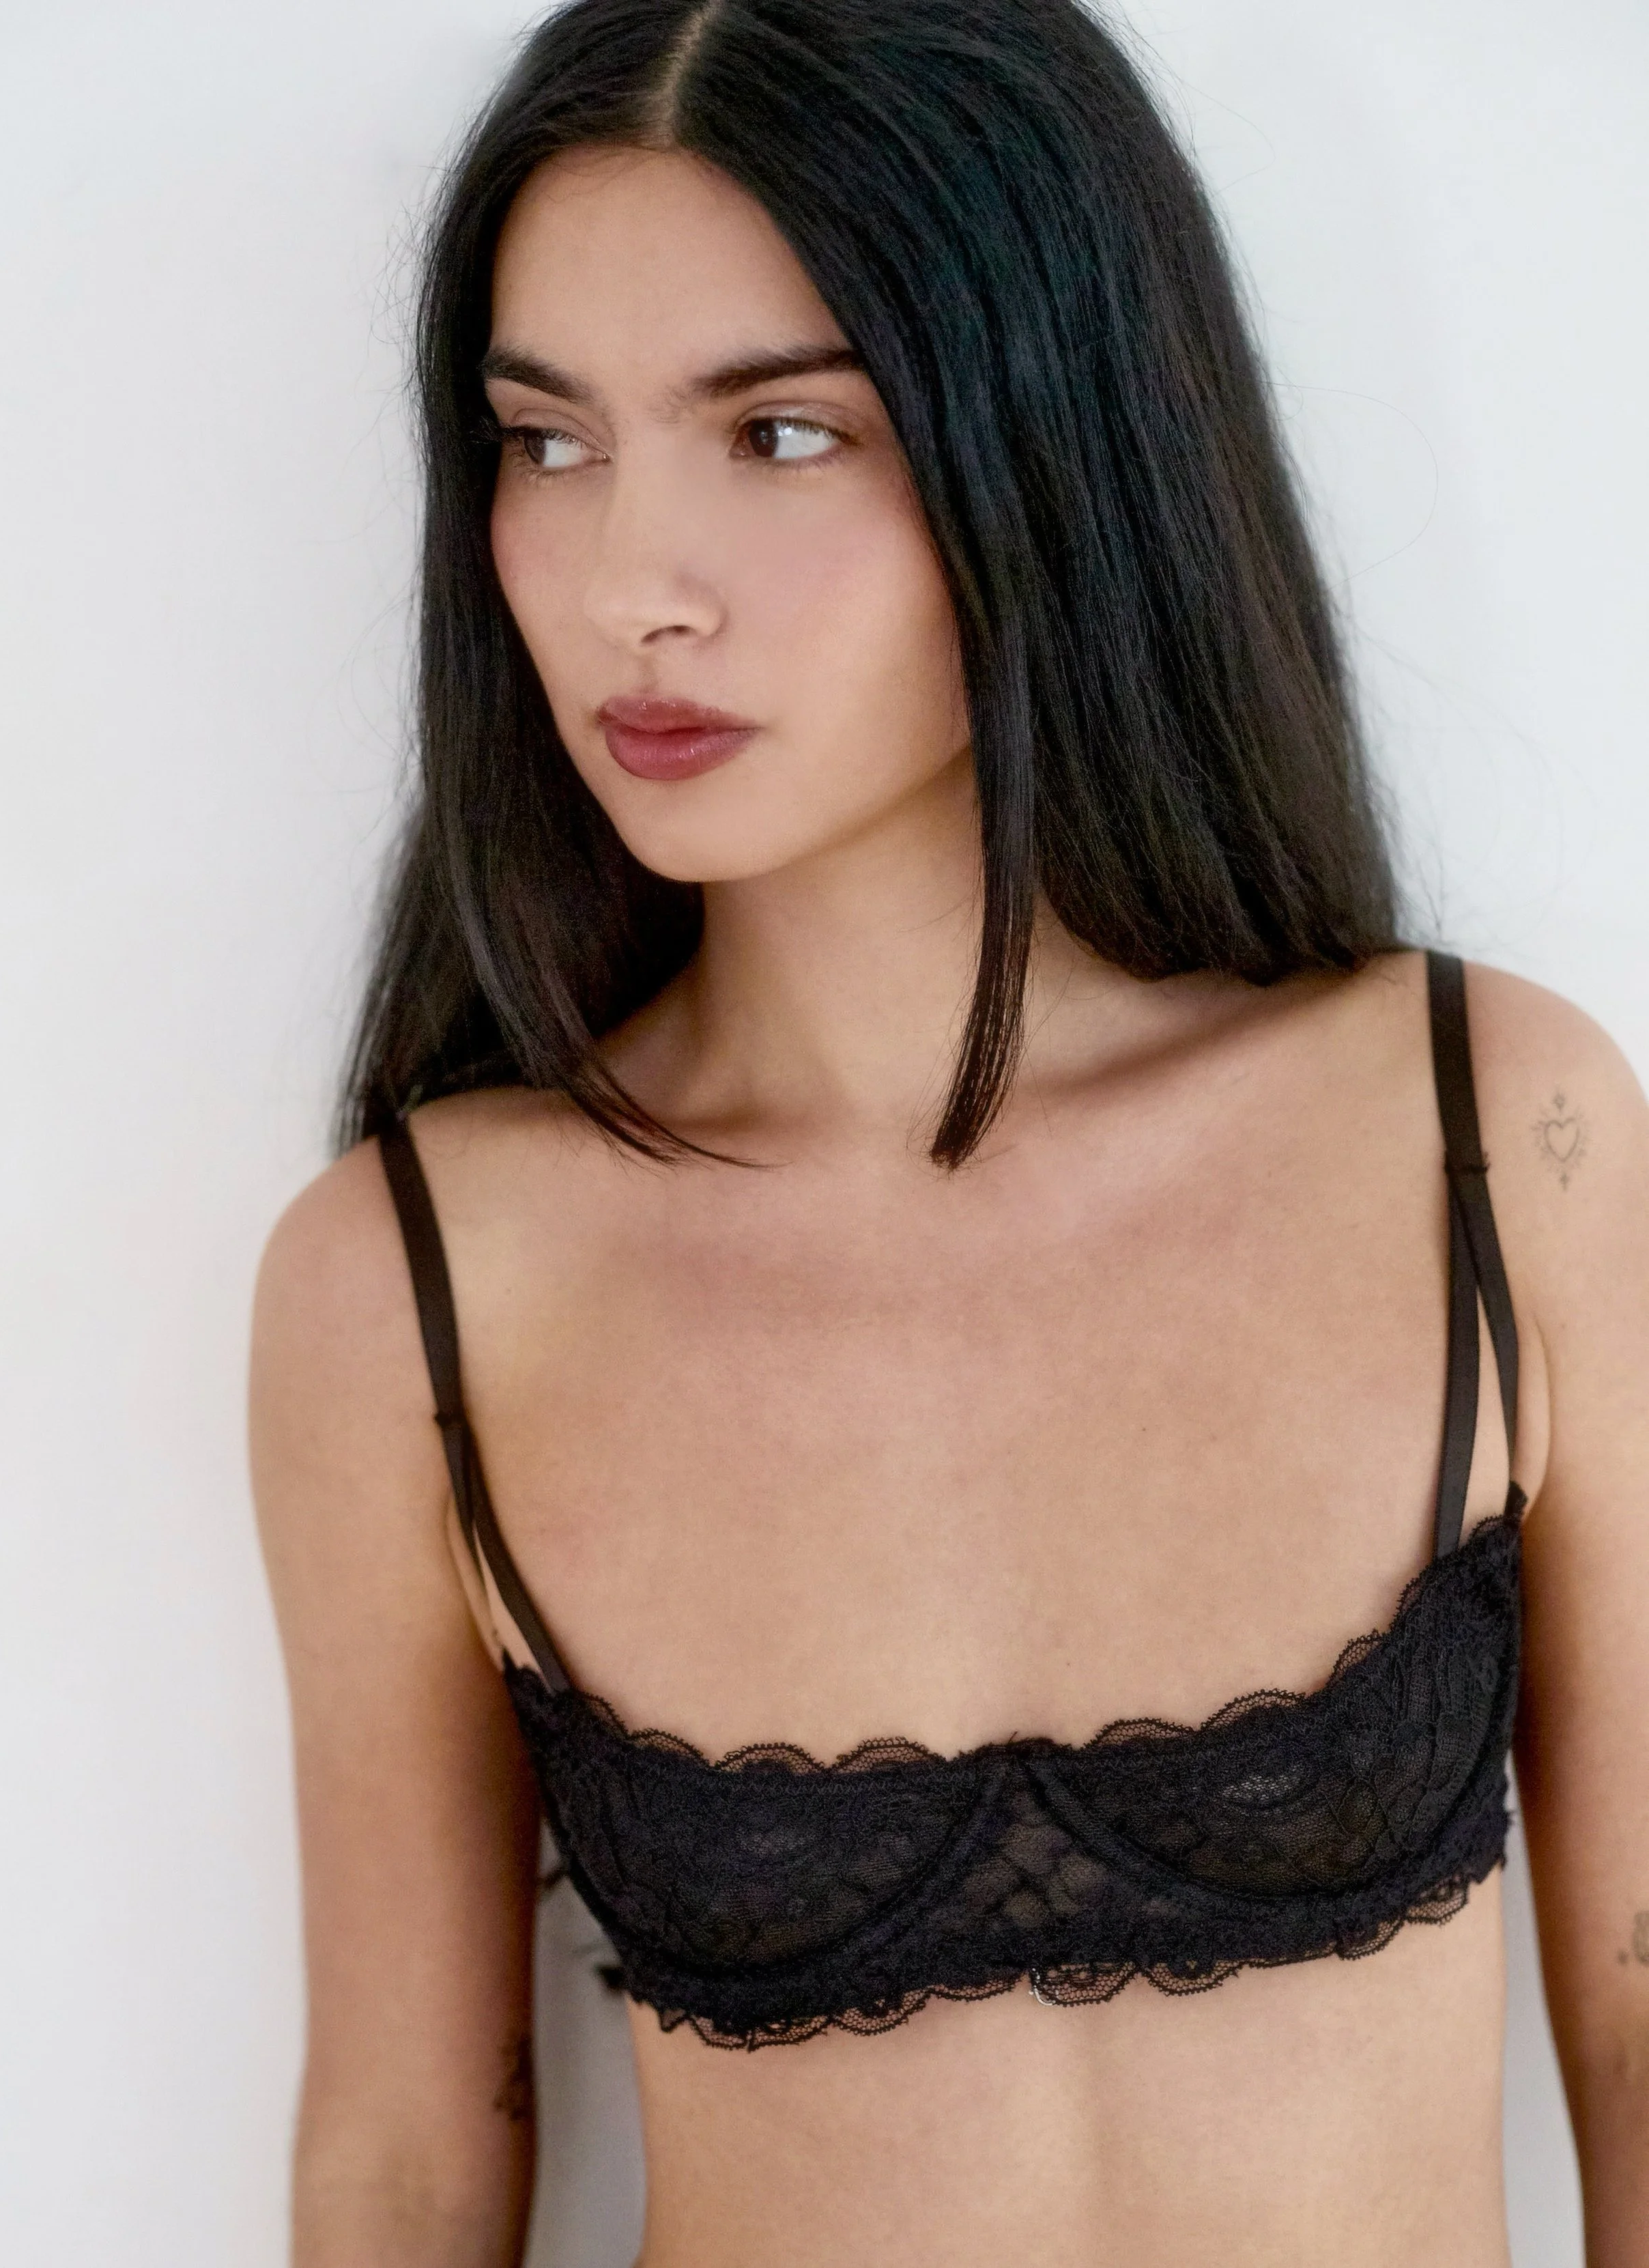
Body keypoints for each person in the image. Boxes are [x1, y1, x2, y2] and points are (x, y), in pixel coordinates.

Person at [248, 1, 1649, 2261]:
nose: (630, 585)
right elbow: (405, 2161)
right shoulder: (418, 1282)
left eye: (781, 433)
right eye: (546, 441)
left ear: (1053, 438)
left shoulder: (1493, 1135)